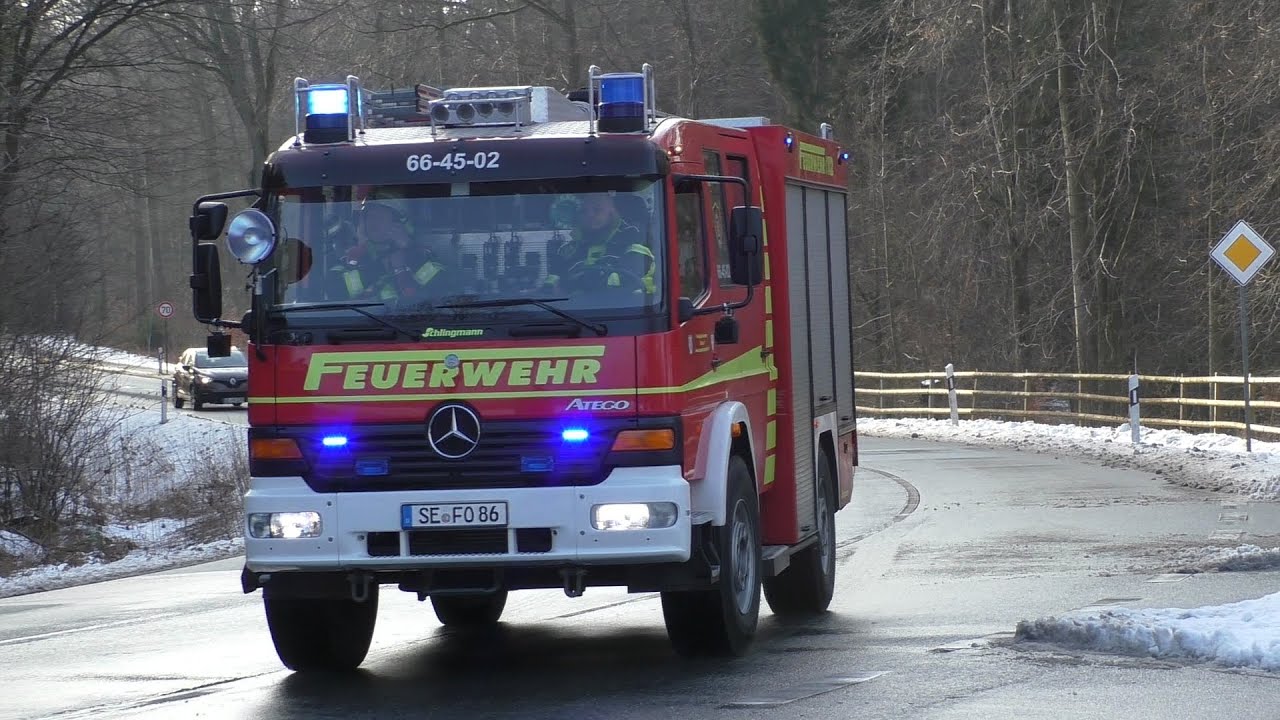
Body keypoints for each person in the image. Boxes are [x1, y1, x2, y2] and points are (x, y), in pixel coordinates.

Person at [336, 200, 450, 303]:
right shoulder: (353, 256)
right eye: (370, 217)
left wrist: (409, 251)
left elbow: (445, 286)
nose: (373, 223)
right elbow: (334, 290)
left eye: (380, 217)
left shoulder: (421, 254)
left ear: (399, 224)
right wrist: (381, 266)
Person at [546, 192, 655, 294]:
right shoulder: (568, 250)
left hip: (632, 311)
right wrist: (544, 290)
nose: (590, 215)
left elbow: (619, 279)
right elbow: (553, 279)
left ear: (611, 213)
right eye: (584, 211)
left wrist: (568, 284)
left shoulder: (634, 241)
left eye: (597, 209)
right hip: (570, 312)